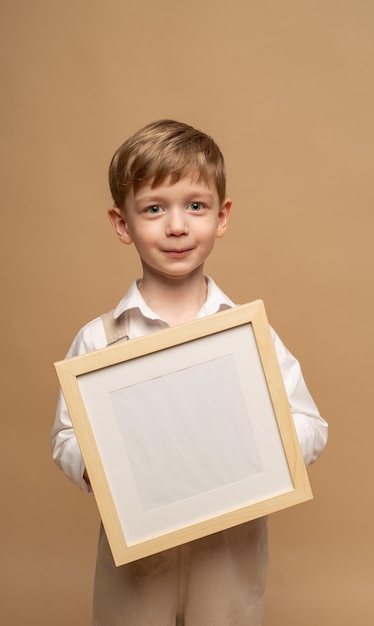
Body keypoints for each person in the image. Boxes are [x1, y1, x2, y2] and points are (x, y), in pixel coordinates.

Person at [51, 119, 328, 626]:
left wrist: (267, 442)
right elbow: (66, 435)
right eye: (154, 209)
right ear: (122, 224)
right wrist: (92, 463)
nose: (176, 226)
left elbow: (310, 426)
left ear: (221, 217)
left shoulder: (248, 336)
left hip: (228, 550)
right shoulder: (100, 338)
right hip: (137, 556)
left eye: (194, 206)